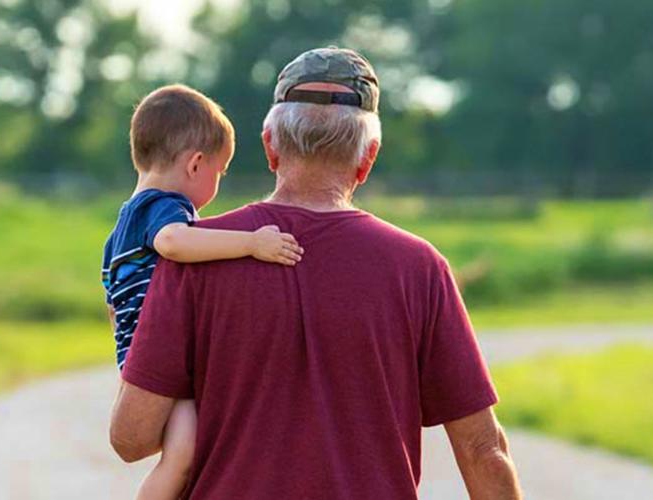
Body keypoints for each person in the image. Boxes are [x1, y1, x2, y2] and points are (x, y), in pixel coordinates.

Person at [110, 47, 522, 499]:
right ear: (368, 157)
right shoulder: (419, 268)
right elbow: (483, 449)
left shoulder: (192, 259)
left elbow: (133, 439)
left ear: (270, 146)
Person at [102, 84, 304, 499]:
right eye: (220, 170)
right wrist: (251, 243)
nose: (218, 182)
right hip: (158, 356)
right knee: (184, 457)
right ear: (195, 164)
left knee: (187, 454)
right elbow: (174, 242)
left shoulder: (122, 223)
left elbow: (111, 300)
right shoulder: (164, 207)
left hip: (135, 356)